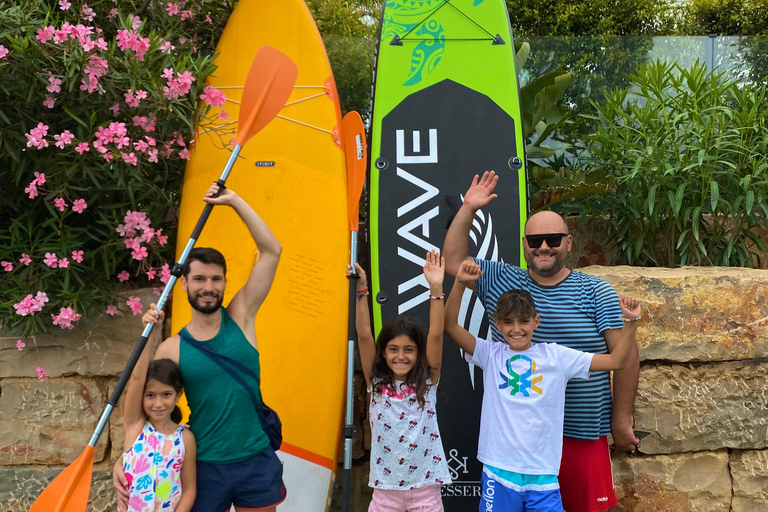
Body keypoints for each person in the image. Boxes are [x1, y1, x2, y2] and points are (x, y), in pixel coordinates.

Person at [442, 170, 641, 512]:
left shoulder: (596, 292)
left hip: (581, 432)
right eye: (535, 241)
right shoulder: (501, 280)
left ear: (569, 242)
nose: (544, 247)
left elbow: (624, 356)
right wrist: (468, 209)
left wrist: (621, 419)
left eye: (552, 239)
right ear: (524, 245)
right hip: (517, 444)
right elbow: (455, 264)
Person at [115, 182, 286, 512]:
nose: (209, 287)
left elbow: (272, 251)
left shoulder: (241, 316)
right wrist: (124, 458)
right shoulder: (171, 349)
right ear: (184, 284)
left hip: (256, 460)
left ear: (224, 281)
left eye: (216, 279)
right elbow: (140, 400)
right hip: (204, 466)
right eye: (199, 279)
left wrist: (234, 200)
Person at [349, 250, 452, 511]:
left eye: (409, 349)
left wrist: (436, 288)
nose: (401, 356)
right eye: (393, 349)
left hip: (426, 489)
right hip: (385, 491)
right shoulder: (376, 384)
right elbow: (363, 336)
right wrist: (361, 290)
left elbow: (437, 335)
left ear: (418, 353)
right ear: (383, 352)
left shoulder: (428, 382)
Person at [120, 306, 196, 512]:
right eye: (150, 395)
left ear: (178, 395)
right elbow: (136, 379)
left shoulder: (185, 438)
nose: (159, 403)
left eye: (166, 395)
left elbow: (189, 489)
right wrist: (149, 331)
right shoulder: (135, 426)